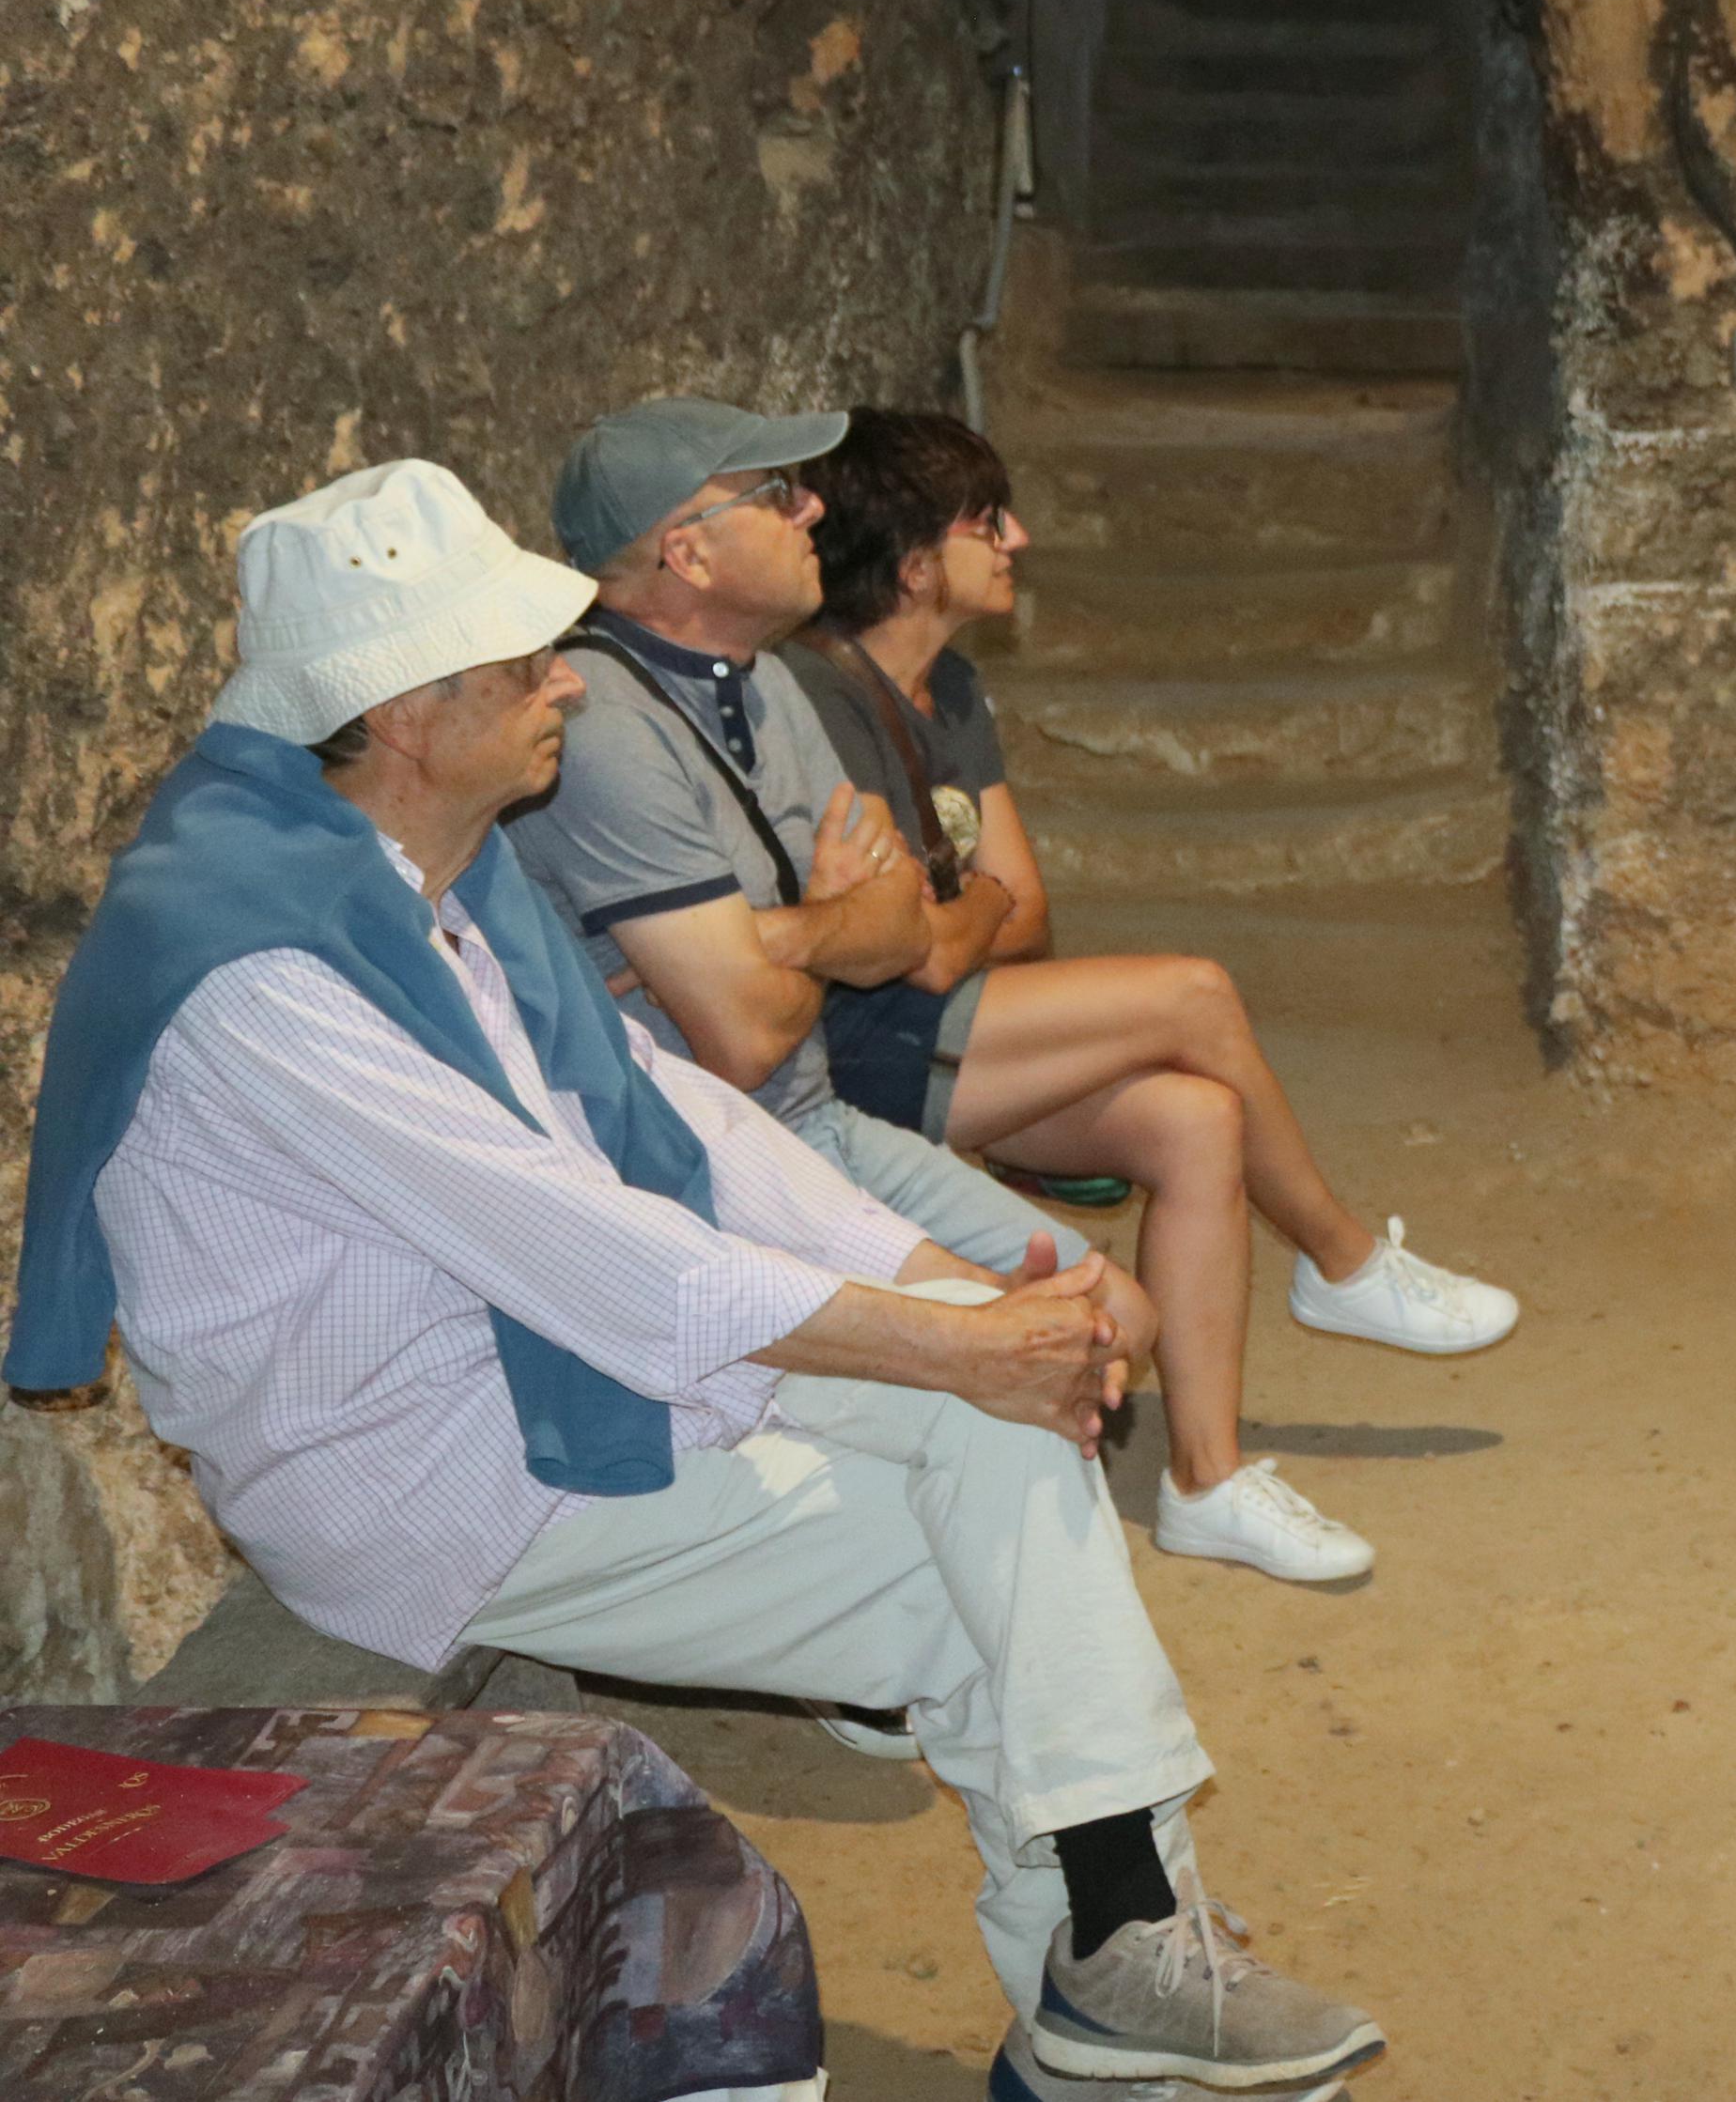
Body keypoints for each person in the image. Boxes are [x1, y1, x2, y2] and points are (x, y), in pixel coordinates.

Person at [3, 460, 1385, 2095]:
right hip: (428, 1467)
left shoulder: (423, 879)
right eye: (522, 667)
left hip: (547, 1360)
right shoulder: (270, 972)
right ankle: (1109, 1961)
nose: (565, 681)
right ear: (407, 713)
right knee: (996, 1566)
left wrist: (948, 1287)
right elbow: (583, 1248)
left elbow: (675, 1118)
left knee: (1006, 1450)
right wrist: (959, 1347)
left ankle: (1111, 1963)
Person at [512, 399, 1507, 1595]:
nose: (808, 505)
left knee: (1185, 1147)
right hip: (738, 1132)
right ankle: (1335, 1268)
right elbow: (761, 1019)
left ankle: (1204, 1481)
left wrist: (781, 935)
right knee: (1188, 1011)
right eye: (773, 495)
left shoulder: (767, 684)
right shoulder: (621, 719)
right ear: (686, 549)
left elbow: (928, 922)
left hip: (816, 1094)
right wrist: (840, 931)